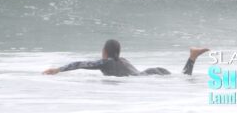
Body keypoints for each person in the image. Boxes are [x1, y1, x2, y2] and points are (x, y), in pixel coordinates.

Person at [42, 39, 209, 77]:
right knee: (183, 78)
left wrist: (58, 69)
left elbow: (80, 64)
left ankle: (193, 57)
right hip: (151, 72)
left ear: (105, 51)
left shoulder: (105, 63)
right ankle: (192, 57)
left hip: (146, 78)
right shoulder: (123, 60)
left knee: (184, 78)